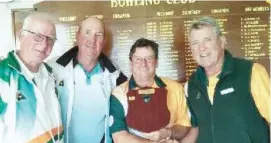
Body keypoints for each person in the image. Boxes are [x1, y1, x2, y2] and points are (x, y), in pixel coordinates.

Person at [185, 16, 270, 143]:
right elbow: (196, 129)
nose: (201, 48)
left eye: (207, 40)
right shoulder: (191, 85)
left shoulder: (251, 72)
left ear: (222, 41)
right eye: (195, 43)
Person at [49, 17, 127, 143]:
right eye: (87, 32)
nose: (92, 40)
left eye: (98, 35)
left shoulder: (115, 75)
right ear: (77, 36)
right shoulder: (52, 69)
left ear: (104, 41)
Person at [109, 38, 191, 143]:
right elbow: (119, 137)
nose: (143, 64)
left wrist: (168, 133)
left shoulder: (176, 88)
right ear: (131, 63)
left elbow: (185, 125)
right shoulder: (118, 94)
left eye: (149, 58)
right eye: (138, 59)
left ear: (156, 62)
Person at [0, 13, 63, 143]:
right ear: (21, 35)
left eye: (50, 39)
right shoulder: (3, 75)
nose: (45, 44)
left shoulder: (51, 75)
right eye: (38, 37)